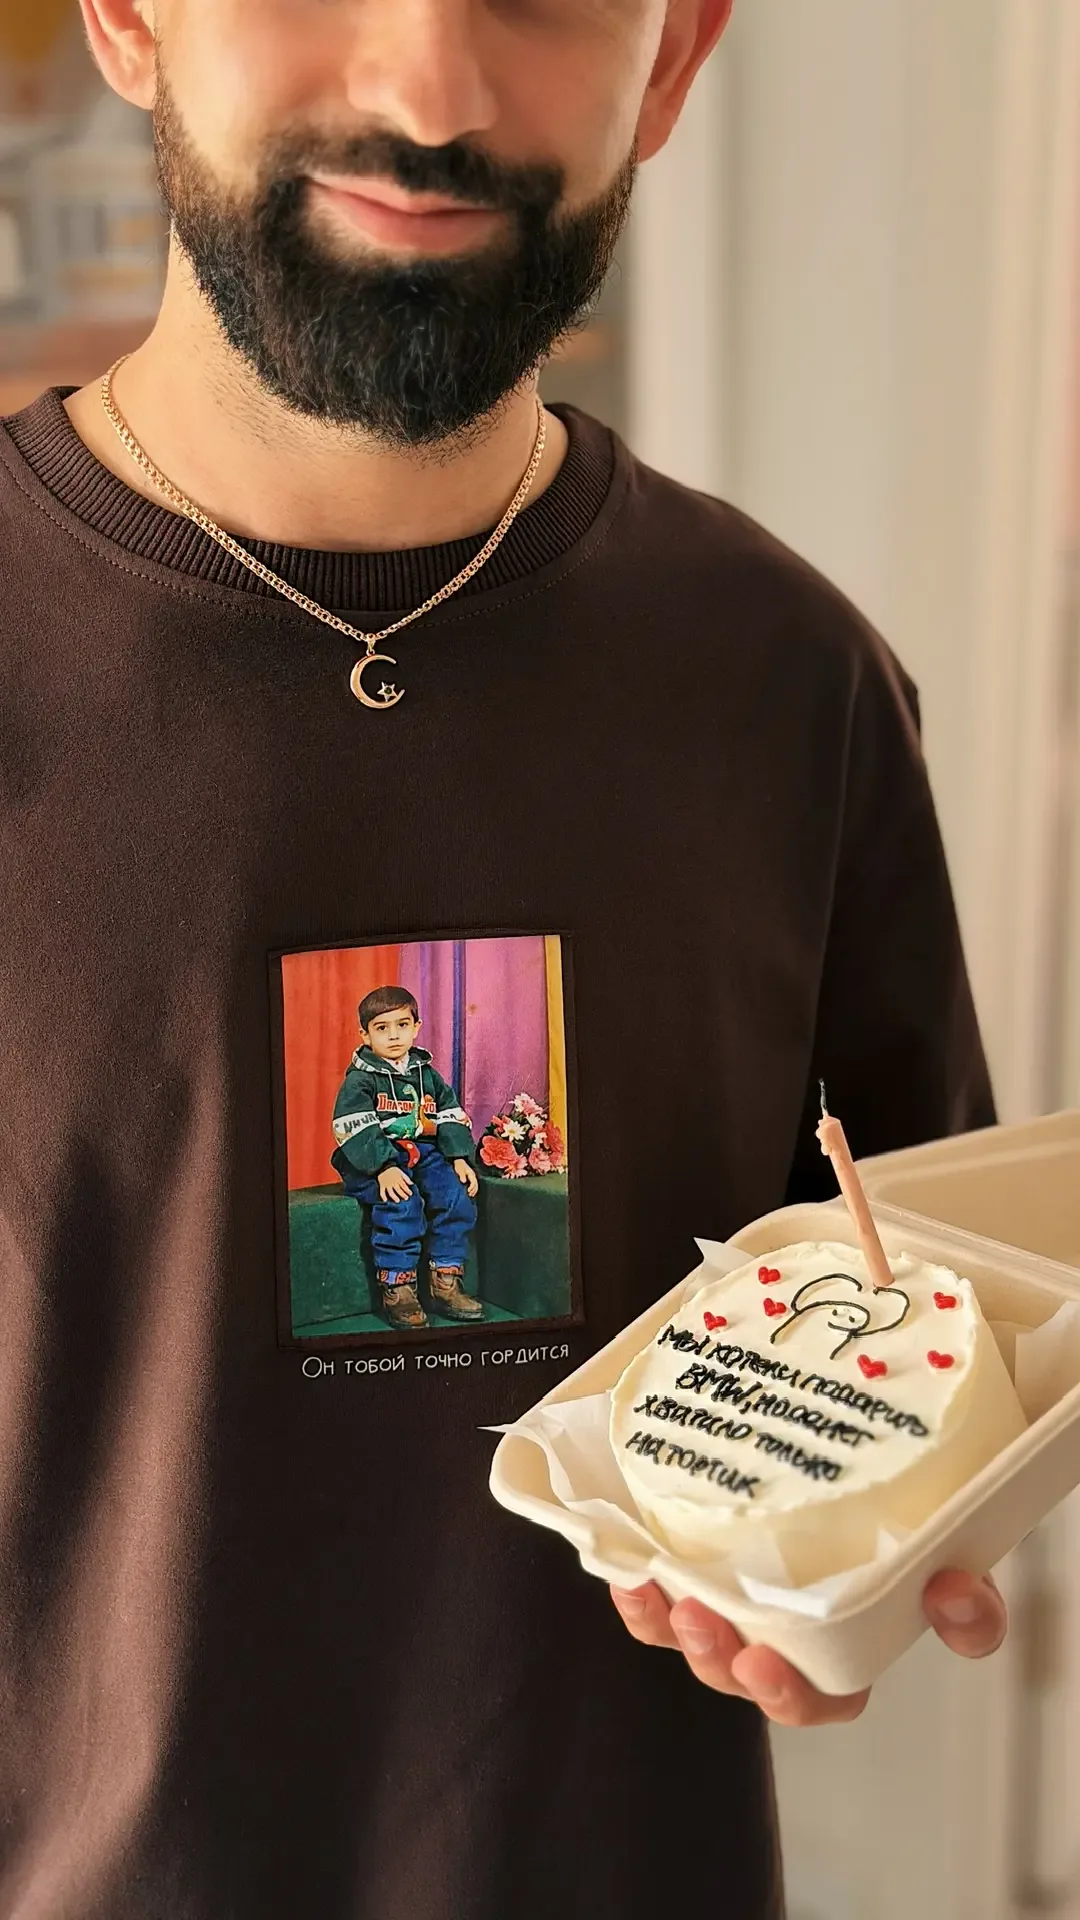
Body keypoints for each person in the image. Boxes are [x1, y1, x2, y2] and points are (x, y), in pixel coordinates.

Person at [0, 0, 1006, 1914]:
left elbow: (921, 1327)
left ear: (674, 55)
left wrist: (863, 1552)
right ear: (128, 14)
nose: (431, 87)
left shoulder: (793, 686)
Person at [330, 986, 483, 1329]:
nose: (394, 1035)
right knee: (401, 1200)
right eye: (381, 1028)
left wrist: (459, 1157)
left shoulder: (426, 1073)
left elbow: (449, 1114)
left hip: (421, 1152)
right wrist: (383, 1167)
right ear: (365, 1035)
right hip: (372, 1158)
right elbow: (353, 1126)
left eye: (402, 1025)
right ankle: (398, 1287)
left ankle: (445, 1281)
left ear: (416, 1027)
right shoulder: (360, 1079)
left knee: (455, 1192)